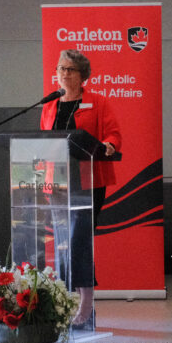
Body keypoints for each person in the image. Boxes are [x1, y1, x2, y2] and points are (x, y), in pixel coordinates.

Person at [39, 49, 122, 328]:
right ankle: (65, 303)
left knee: (79, 242)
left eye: (70, 69)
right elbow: (44, 141)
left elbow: (113, 134)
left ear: (82, 75)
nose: (63, 73)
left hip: (89, 181)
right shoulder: (50, 105)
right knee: (62, 244)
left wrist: (109, 144)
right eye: (60, 68)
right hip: (57, 183)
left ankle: (86, 304)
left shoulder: (97, 102)